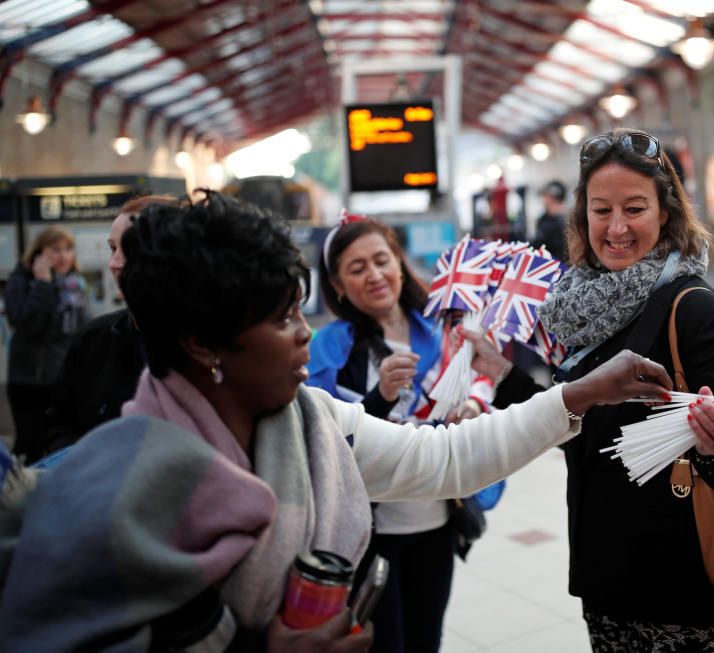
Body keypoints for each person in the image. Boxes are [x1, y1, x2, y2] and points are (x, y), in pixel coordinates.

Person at [0, 192, 672, 652]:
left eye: (300, 311)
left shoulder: (311, 422)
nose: (303, 333)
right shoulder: (116, 491)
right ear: (204, 344)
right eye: (281, 319)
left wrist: (578, 394)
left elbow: (443, 458)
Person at [467, 128, 714, 651]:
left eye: (634, 209)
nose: (616, 228)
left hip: (687, 588)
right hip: (607, 577)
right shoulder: (585, 309)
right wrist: (502, 374)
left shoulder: (698, 314)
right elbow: (577, 428)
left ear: (666, 213)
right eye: (601, 210)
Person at [307, 215, 491, 653]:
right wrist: (381, 397)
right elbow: (322, 437)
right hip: (371, 532)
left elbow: (482, 380)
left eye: (381, 260)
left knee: (428, 638)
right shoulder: (329, 348)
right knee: (385, 644)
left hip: (438, 517)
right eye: (357, 268)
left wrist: (471, 406)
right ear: (337, 285)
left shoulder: (443, 328)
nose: (374, 275)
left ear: (398, 263)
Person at [41, 195, 181, 457]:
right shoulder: (92, 340)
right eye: (112, 248)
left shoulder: (208, 346)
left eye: (129, 249)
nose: (114, 263)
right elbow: (60, 425)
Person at [4, 226, 89, 463]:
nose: (63, 256)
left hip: (65, 378)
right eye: (55, 249)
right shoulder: (21, 281)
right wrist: (43, 283)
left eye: (68, 249)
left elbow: (82, 331)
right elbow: (26, 322)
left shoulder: (75, 283)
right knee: (30, 445)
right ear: (39, 253)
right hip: (31, 381)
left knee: (63, 445)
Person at [532, 180, 569, 262]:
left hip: (557, 264)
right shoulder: (544, 218)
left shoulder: (561, 221)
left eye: (546, 196)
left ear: (552, 198)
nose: (544, 199)